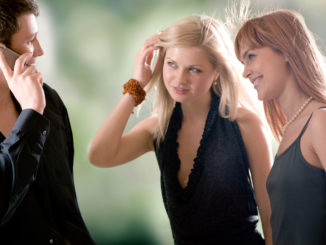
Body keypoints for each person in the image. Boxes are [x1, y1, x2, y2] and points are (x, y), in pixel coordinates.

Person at [88, 15, 272, 244]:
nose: (179, 79)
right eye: (172, 64)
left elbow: (271, 215)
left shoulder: (245, 124)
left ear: (216, 72)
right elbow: (99, 155)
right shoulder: (158, 128)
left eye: (194, 70)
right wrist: (136, 84)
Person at [0, 0, 95, 244]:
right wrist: (31, 114)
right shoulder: (38, 106)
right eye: (30, 41)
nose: (40, 50)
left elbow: (66, 205)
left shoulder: (48, 101)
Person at [235, 9, 326, 245]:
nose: (245, 72)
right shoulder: (289, 131)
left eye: (251, 56)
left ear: (285, 50)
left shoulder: (319, 121)